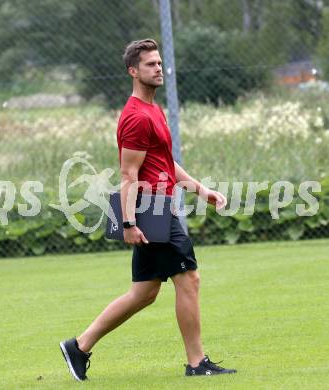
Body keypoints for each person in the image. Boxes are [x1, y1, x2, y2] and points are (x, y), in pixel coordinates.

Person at [60, 38, 237, 381]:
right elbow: (128, 174)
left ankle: (79, 346)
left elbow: (164, 161)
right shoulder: (136, 117)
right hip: (150, 209)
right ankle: (197, 363)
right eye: (150, 64)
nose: (158, 68)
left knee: (144, 293)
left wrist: (200, 189)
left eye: (159, 63)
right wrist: (128, 222)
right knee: (189, 279)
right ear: (133, 71)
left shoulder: (153, 110)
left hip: (158, 207)